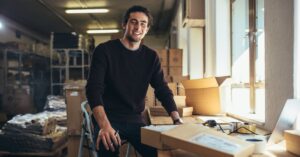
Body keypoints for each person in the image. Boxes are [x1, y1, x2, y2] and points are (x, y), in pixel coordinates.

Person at [86, 5, 183, 157]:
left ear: (147, 29)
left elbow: (162, 89)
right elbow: (93, 89)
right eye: (133, 22)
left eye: (143, 23)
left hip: (135, 120)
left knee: (160, 152)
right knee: (107, 147)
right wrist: (104, 125)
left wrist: (176, 119)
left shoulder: (151, 57)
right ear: (124, 24)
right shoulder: (104, 51)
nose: (138, 27)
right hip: (109, 118)